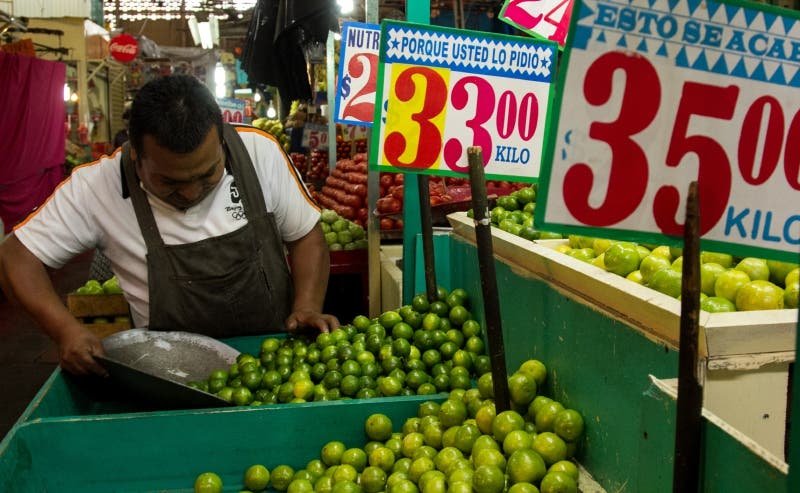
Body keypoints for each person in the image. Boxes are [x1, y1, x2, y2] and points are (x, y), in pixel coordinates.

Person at [0, 75, 339, 377]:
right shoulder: (95, 186)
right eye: (170, 183)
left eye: (207, 176)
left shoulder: (259, 153)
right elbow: (15, 257)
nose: (191, 193)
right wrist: (65, 331)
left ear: (220, 140)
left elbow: (306, 235)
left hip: (273, 368)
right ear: (135, 156)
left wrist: (307, 305)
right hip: (168, 376)